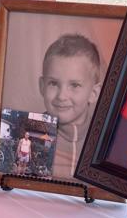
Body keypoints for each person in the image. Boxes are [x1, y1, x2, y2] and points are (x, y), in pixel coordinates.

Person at [38, 34, 101, 179]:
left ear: (93, 93)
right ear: (42, 86)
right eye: (53, 83)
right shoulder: (27, 135)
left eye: (74, 85)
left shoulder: (103, 143)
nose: (61, 96)